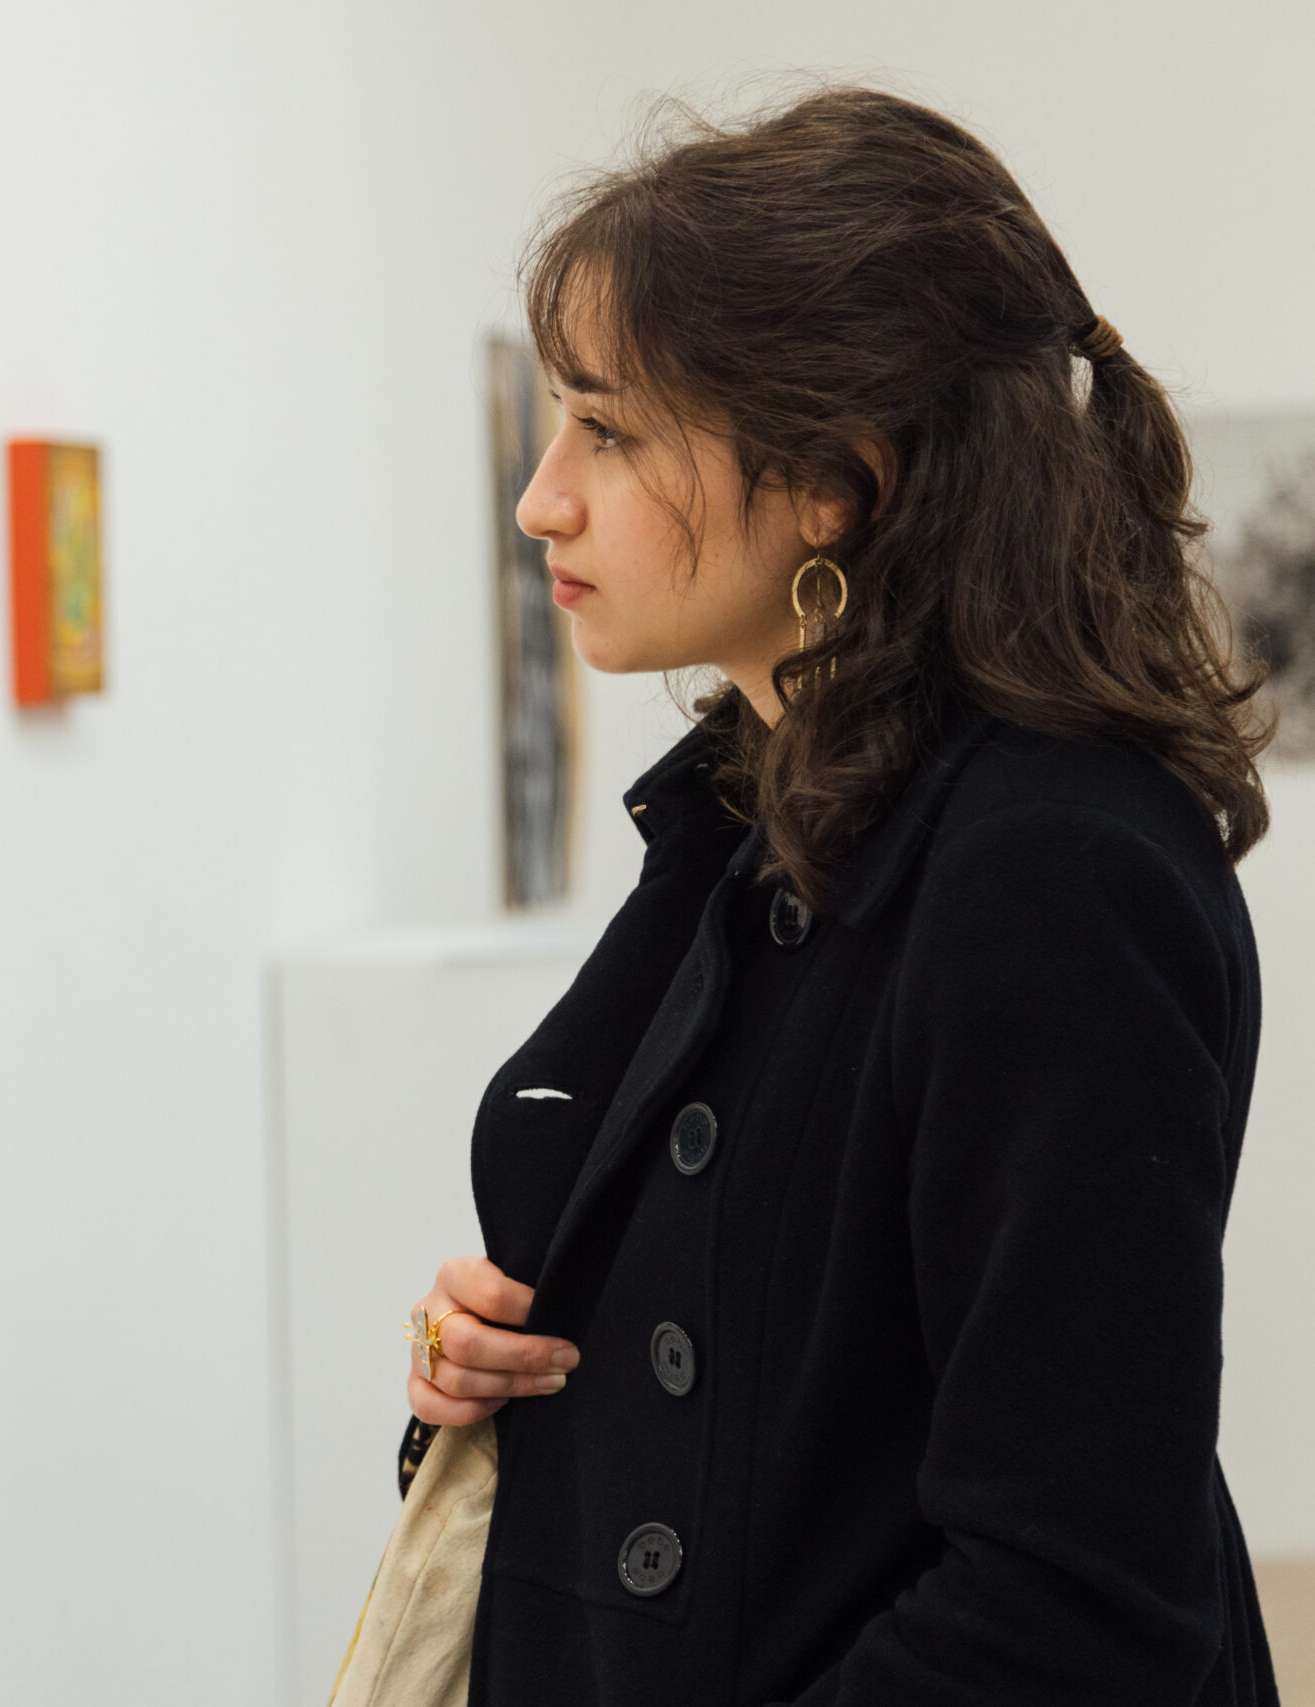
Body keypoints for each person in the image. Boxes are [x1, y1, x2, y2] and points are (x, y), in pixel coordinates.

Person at [399, 86, 1281, 1703]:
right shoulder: (760, 805)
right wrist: (515, 1356)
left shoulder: (1050, 866)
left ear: (835, 482)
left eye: (607, 428)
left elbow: (1074, 1601)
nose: (542, 499)